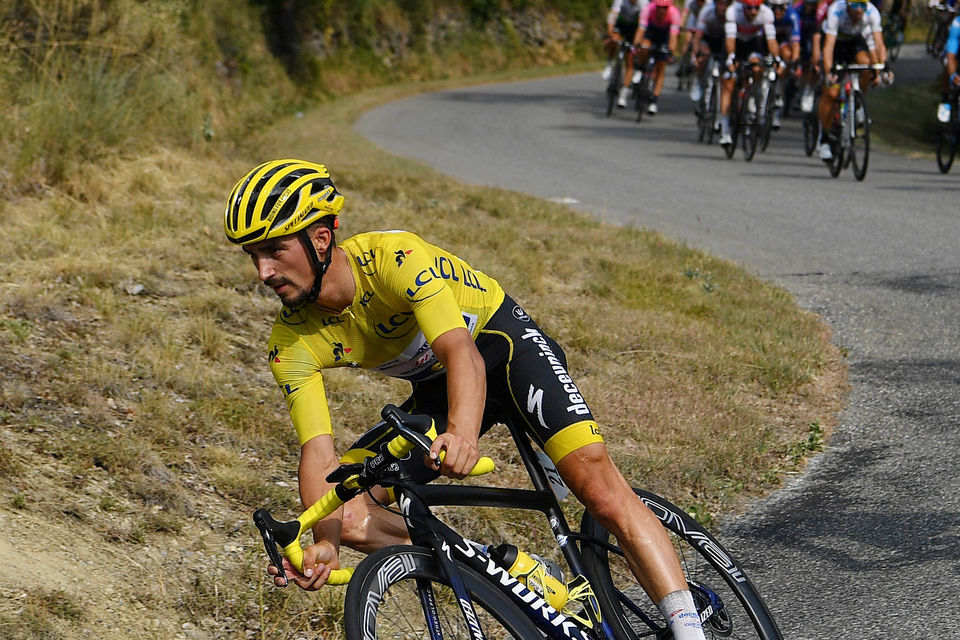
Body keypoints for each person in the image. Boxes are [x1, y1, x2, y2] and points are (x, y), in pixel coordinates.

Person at [224, 159, 710, 640]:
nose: (264, 271)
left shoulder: (394, 258)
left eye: (275, 250)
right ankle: (514, 574)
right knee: (350, 513)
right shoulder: (289, 341)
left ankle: (689, 629)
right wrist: (325, 543)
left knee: (600, 490)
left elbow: (463, 353)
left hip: (502, 349)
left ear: (321, 239)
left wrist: (461, 434)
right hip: (439, 387)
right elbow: (319, 452)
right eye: (253, 256)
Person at [817, 0, 888, 161]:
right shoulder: (836, 11)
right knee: (832, 93)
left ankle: (858, 102)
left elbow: (879, 43)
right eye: (855, 6)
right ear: (847, 5)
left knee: (866, 65)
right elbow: (828, 47)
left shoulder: (872, 12)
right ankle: (825, 140)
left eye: (862, 6)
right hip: (835, 44)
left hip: (854, 43)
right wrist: (829, 73)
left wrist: (882, 68)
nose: (859, 10)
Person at [718, 0, 781, 147]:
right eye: (749, 8)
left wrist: (777, 58)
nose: (753, 12)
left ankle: (752, 96)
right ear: (743, 7)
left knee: (757, 67)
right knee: (729, 82)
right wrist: (731, 58)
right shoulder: (733, 11)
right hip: (735, 44)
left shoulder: (766, 13)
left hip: (752, 43)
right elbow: (730, 39)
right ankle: (725, 129)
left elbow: (771, 41)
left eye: (756, 8)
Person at [634, 0, 684, 114]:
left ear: (669, 7)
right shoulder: (648, 9)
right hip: (651, 32)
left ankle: (654, 100)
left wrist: (671, 52)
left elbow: (673, 36)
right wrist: (636, 44)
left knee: (661, 68)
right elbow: (641, 29)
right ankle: (640, 68)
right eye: (659, 7)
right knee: (643, 47)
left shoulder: (674, 13)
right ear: (655, 6)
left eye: (665, 7)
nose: (662, 10)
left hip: (665, 36)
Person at [604, 0, 648, 108]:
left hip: (634, 28)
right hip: (621, 24)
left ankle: (623, 94)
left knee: (630, 61)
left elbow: (643, 24)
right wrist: (610, 34)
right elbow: (613, 16)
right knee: (613, 41)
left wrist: (637, 42)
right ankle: (609, 63)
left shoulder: (644, 3)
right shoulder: (620, 1)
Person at [690, 0, 734, 103]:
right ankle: (699, 81)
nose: (723, 7)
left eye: (726, 4)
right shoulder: (707, 11)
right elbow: (698, 36)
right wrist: (695, 53)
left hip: (724, 39)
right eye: (721, 4)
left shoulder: (732, 14)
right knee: (704, 57)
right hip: (708, 38)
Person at [769, 0, 803, 128]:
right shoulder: (765, 13)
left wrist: (795, 63)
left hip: (783, 42)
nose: (777, 11)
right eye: (774, 8)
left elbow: (795, 44)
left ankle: (779, 91)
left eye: (781, 8)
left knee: (788, 54)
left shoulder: (792, 15)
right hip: (766, 41)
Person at [938, 12, 960, 121]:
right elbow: (951, 55)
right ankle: (945, 99)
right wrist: (953, 76)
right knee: (947, 62)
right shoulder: (958, 22)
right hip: (956, 53)